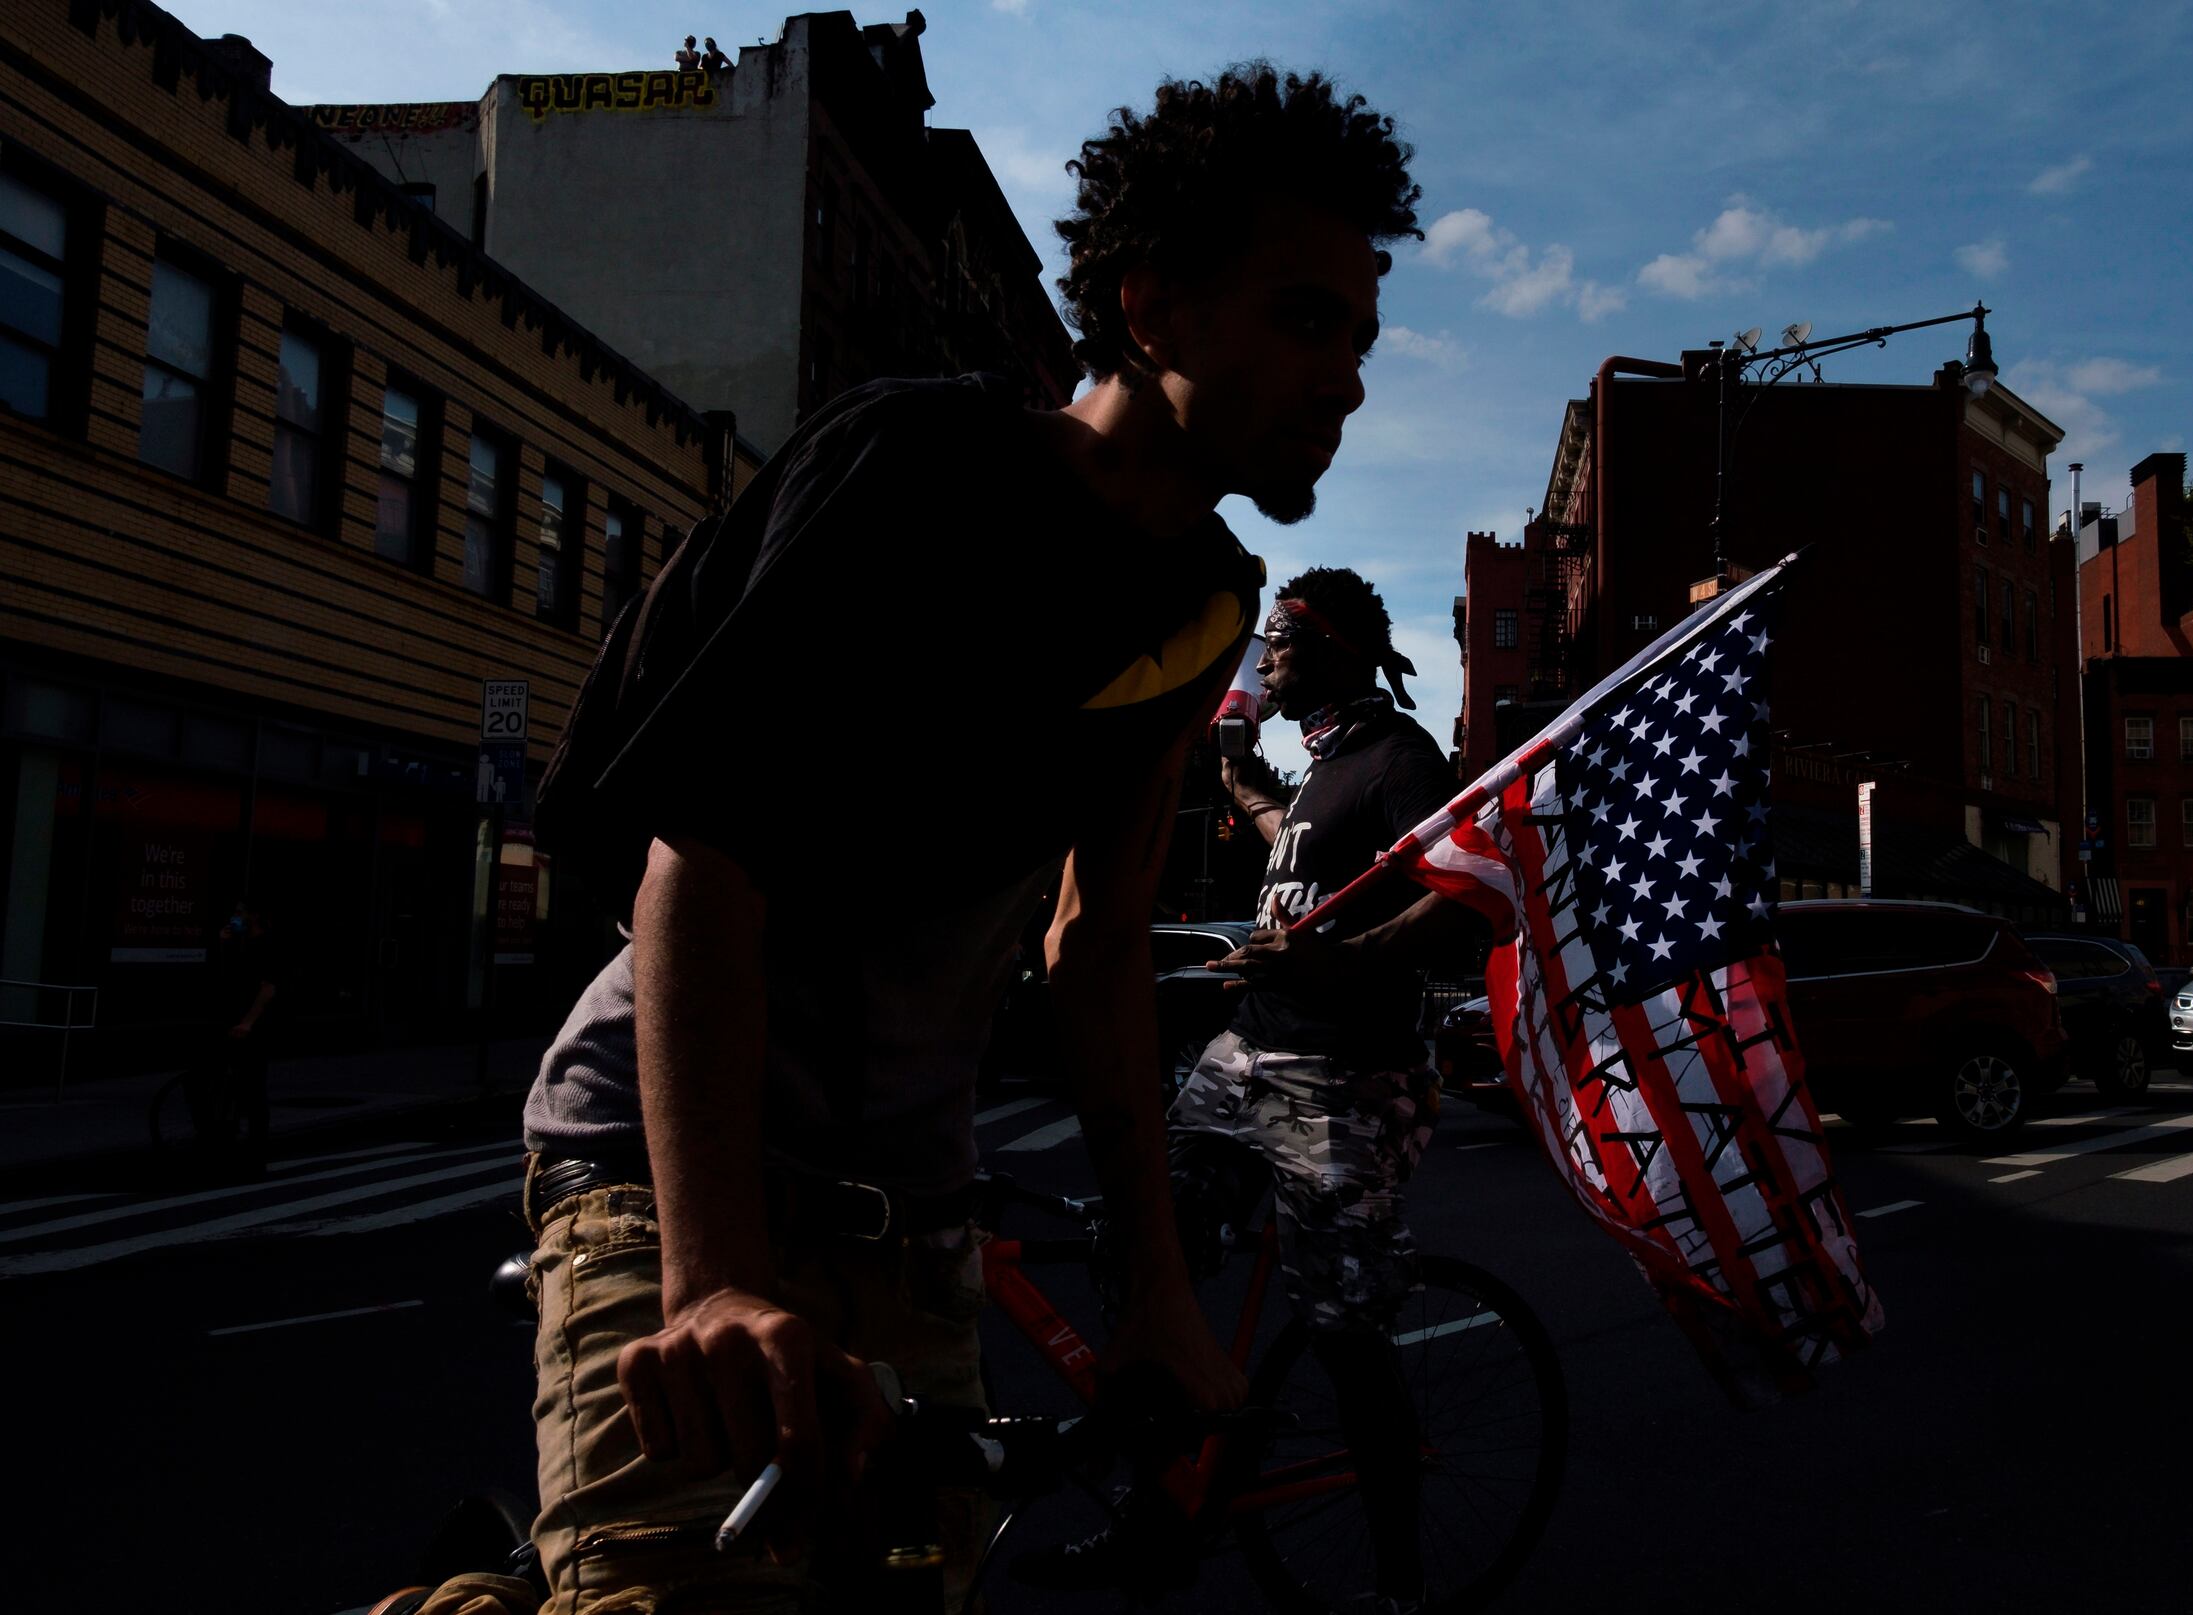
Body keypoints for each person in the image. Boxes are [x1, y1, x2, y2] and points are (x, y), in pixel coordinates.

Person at [421, 62, 1423, 1615]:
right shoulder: (919, 468)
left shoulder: (1208, 604)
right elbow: (704, 857)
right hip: (671, 1160)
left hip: (910, 1212)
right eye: (1307, 318)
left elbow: (1095, 947)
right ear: (1152, 306)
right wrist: (713, 1275)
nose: (1346, 378)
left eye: (1361, 334)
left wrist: (1158, 1288)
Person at [1015, 569, 1482, 1611]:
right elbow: (1299, 846)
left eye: (1281, 638)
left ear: (1342, 650)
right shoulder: (1320, 773)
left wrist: (1342, 959)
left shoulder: (1399, 758)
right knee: (1145, 1243)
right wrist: (1239, 788)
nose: (1265, 655)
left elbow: (1465, 899)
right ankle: (1155, 1506)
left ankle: (1401, 1582)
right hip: (1246, 1053)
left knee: (1344, 1329)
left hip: (1350, 1075)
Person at [192, 895, 277, 1167]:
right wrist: (224, 943)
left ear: (254, 915)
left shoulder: (266, 944)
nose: (235, 916)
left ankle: (255, 1148)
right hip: (232, 1019)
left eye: (240, 912)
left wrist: (249, 1022)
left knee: (252, 1085)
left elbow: (268, 987)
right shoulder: (242, 943)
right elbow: (229, 977)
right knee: (209, 1079)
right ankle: (224, 1133)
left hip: (253, 1025)